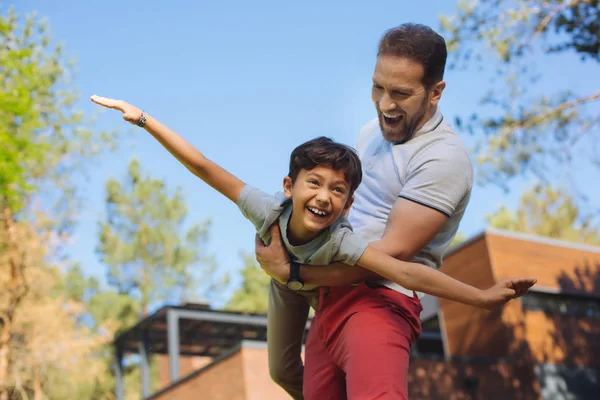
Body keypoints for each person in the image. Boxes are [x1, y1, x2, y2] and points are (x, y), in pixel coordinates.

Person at [90, 93, 534, 400]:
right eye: (315, 184)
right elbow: (205, 167)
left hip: (303, 279)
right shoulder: (268, 210)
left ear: (347, 205)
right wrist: (144, 120)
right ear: (289, 186)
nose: (324, 196)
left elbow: (406, 272)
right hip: (286, 285)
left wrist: (480, 298)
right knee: (281, 370)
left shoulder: (342, 240)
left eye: (338, 191)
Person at [255, 23, 488, 399]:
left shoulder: (444, 159)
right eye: (378, 87)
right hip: (330, 283)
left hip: (380, 295)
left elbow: (388, 255)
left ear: (435, 93)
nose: (384, 104)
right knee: (284, 371)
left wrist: (296, 273)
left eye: (400, 93)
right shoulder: (370, 133)